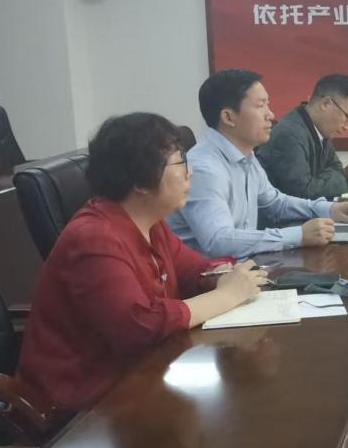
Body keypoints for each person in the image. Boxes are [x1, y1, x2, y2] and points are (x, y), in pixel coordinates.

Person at [17, 113, 268, 412]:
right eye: (180, 163)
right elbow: (140, 326)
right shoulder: (94, 238)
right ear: (140, 181)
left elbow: (194, 271)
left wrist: (224, 276)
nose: (190, 174)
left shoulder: (150, 223)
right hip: (79, 404)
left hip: (141, 377)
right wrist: (227, 295)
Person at [167, 69, 348, 258]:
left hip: (242, 269)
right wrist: (297, 235)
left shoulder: (247, 158)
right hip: (211, 276)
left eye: (267, 105)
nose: (270, 114)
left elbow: (276, 203)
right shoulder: (204, 168)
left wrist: (328, 209)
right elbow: (219, 241)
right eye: (260, 106)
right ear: (228, 117)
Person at [256, 73, 348, 200]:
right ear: (325, 103)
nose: (347, 127)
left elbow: (337, 171)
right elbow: (302, 193)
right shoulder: (288, 134)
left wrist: (317, 182)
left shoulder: (322, 132)